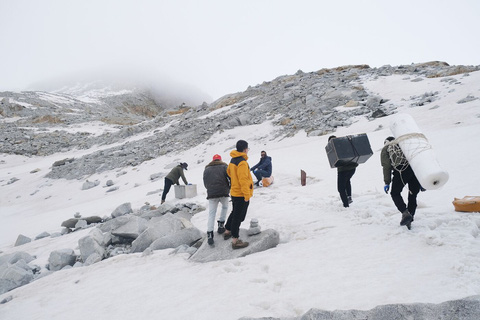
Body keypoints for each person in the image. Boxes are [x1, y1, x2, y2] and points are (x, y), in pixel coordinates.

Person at [381, 136, 422, 229]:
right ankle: (410, 217)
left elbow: (386, 166)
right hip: (414, 169)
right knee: (412, 194)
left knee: (395, 193)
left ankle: (405, 213)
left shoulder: (386, 148)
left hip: (400, 171)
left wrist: (387, 182)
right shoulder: (404, 144)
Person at [223, 140, 253, 249]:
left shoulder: (233, 160)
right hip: (241, 193)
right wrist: (246, 195)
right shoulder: (242, 162)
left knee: (234, 212)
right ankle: (235, 240)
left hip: (234, 192)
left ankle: (227, 230)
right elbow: (243, 180)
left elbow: (229, 172)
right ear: (245, 149)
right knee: (238, 216)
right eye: (247, 149)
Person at [203, 154, 230, 245]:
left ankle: (210, 234)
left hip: (212, 194)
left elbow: (205, 182)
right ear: (220, 159)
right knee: (225, 207)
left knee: (211, 213)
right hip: (223, 192)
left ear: (213, 160)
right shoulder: (225, 167)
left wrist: (210, 189)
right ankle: (221, 224)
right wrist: (229, 188)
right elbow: (230, 178)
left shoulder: (207, 169)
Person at [329, 135, 358, 208]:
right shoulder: (345, 144)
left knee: (341, 188)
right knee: (347, 181)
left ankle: (346, 205)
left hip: (343, 170)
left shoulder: (334, 147)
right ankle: (349, 197)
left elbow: (334, 162)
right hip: (352, 168)